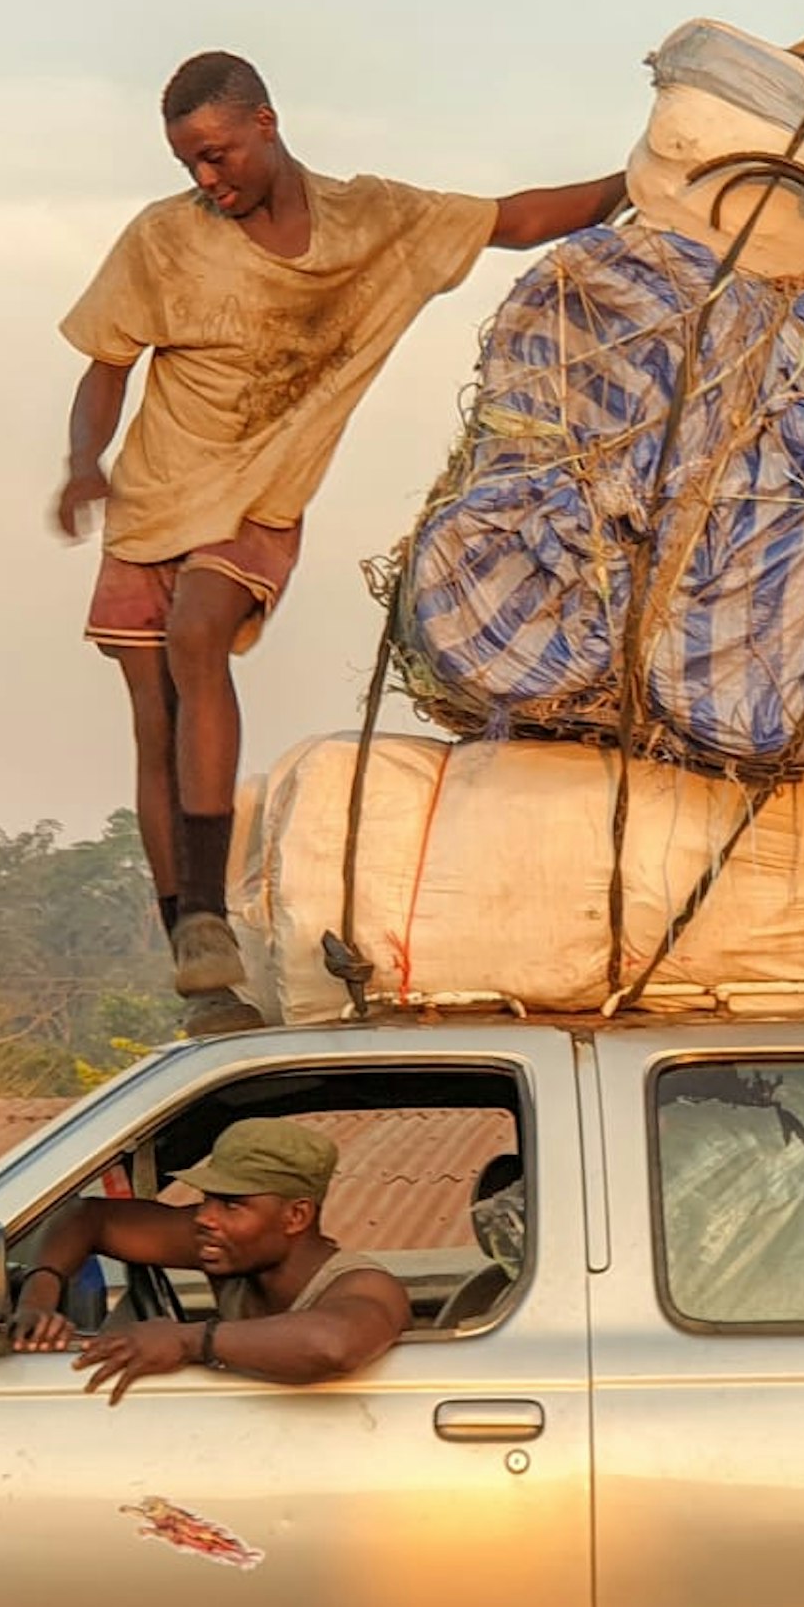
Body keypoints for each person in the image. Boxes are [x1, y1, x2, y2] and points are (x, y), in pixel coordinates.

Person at [55, 51, 622, 1033]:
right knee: (154, 724)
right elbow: (108, 363)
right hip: (153, 497)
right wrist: (82, 462)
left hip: (256, 504)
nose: (207, 180)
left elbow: (513, 219)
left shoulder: (373, 223)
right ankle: (198, 961)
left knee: (200, 641)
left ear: (266, 124)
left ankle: (205, 916)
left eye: (218, 154)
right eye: (189, 162)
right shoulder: (162, 241)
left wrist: (636, 180)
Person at [13, 1117, 412, 1395]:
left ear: (296, 1216)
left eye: (231, 1205)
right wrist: (38, 1299)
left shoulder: (364, 1285)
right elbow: (89, 1217)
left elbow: (331, 1346)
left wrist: (187, 1341)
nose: (205, 1217)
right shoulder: (232, 1248)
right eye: (208, 1199)